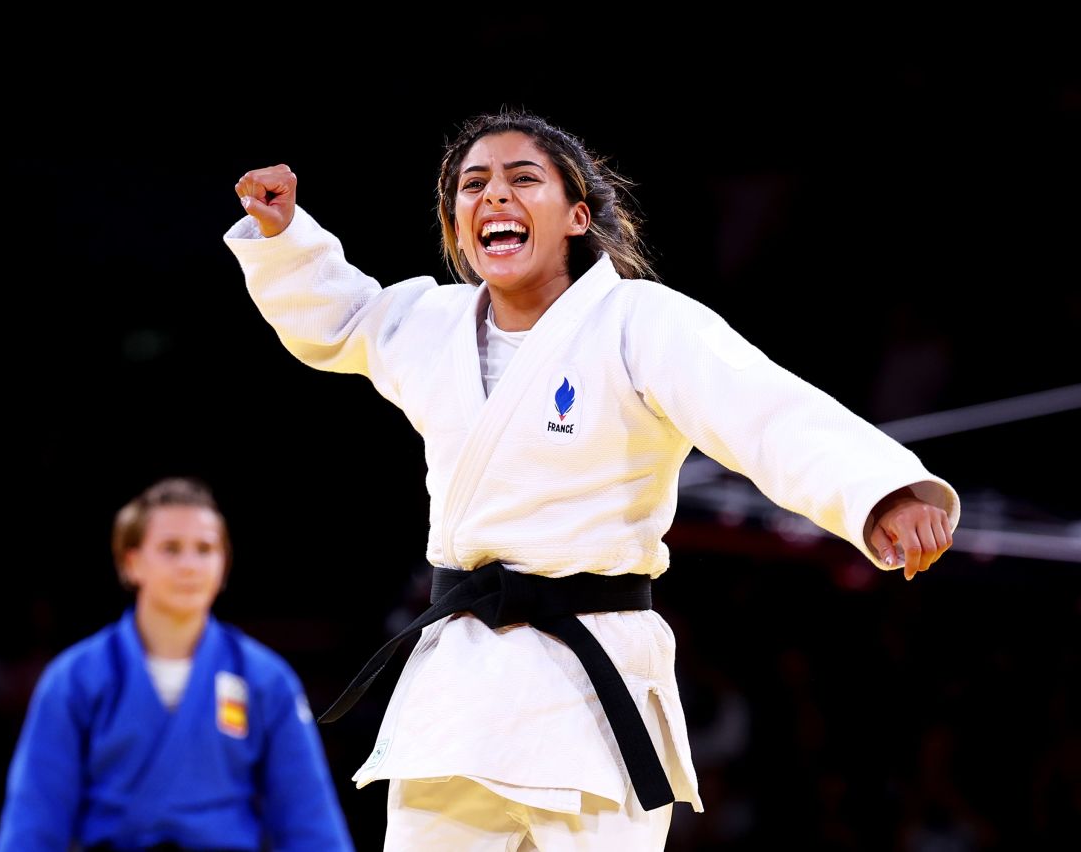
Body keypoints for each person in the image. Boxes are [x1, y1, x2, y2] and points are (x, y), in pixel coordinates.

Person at [225, 110, 958, 850]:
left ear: (577, 215)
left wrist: (882, 490)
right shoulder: (429, 324)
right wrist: (287, 239)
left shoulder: (640, 323)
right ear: (455, 223)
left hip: (590, 688)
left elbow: (764, 411)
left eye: (523, 179)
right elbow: (343, 317)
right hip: (458, 696)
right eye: (473, 185)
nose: (494, 197)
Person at [0, 477, 354, 852]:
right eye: (171, 549)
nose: (189, 565)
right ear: (131, 563)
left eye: (205, 549)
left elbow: (311, 825)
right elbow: (33, 824)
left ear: (224, 563)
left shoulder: (266, 679)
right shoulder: (74, 679)